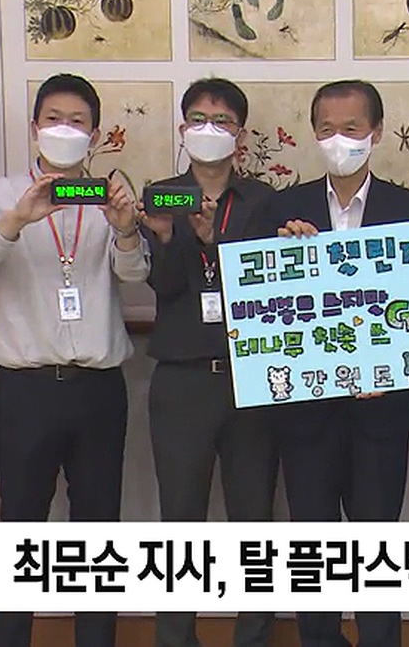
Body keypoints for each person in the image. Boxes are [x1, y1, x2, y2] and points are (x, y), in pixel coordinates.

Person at [0, 73, 149, 647]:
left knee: (98, 531)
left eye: (78, 121)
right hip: (27, 388)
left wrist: (126, 231)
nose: (65, 129)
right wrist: (17, 220)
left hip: (98, 386)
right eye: (54, 119)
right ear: (35, 128)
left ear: (95, 136)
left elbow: (134, 275)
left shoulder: (108, 194)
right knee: (21, 527)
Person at [249, 79, 409, 647]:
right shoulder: (282, 208)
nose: (338, 140)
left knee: (378, 548)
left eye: (351, 129)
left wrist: (390, 368)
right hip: (306, 411)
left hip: (381, 413)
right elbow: (260, 305)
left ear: (375, 133)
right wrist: (287, 256)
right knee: (313, 547)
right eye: (326, 129)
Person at [137, 77, 278, 647]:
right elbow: (164, 286)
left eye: (222, 121)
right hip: (182, 380)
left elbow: (268, 290)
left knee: (255, 522)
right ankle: (176, 637)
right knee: (180, 520)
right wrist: (175, 240)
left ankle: (254, 636)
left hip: (251, 379)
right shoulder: (162, 196)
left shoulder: (265, 200)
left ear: (239, 135)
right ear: (182, 128)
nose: (209, 130)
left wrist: (215, 243)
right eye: (198, 119)